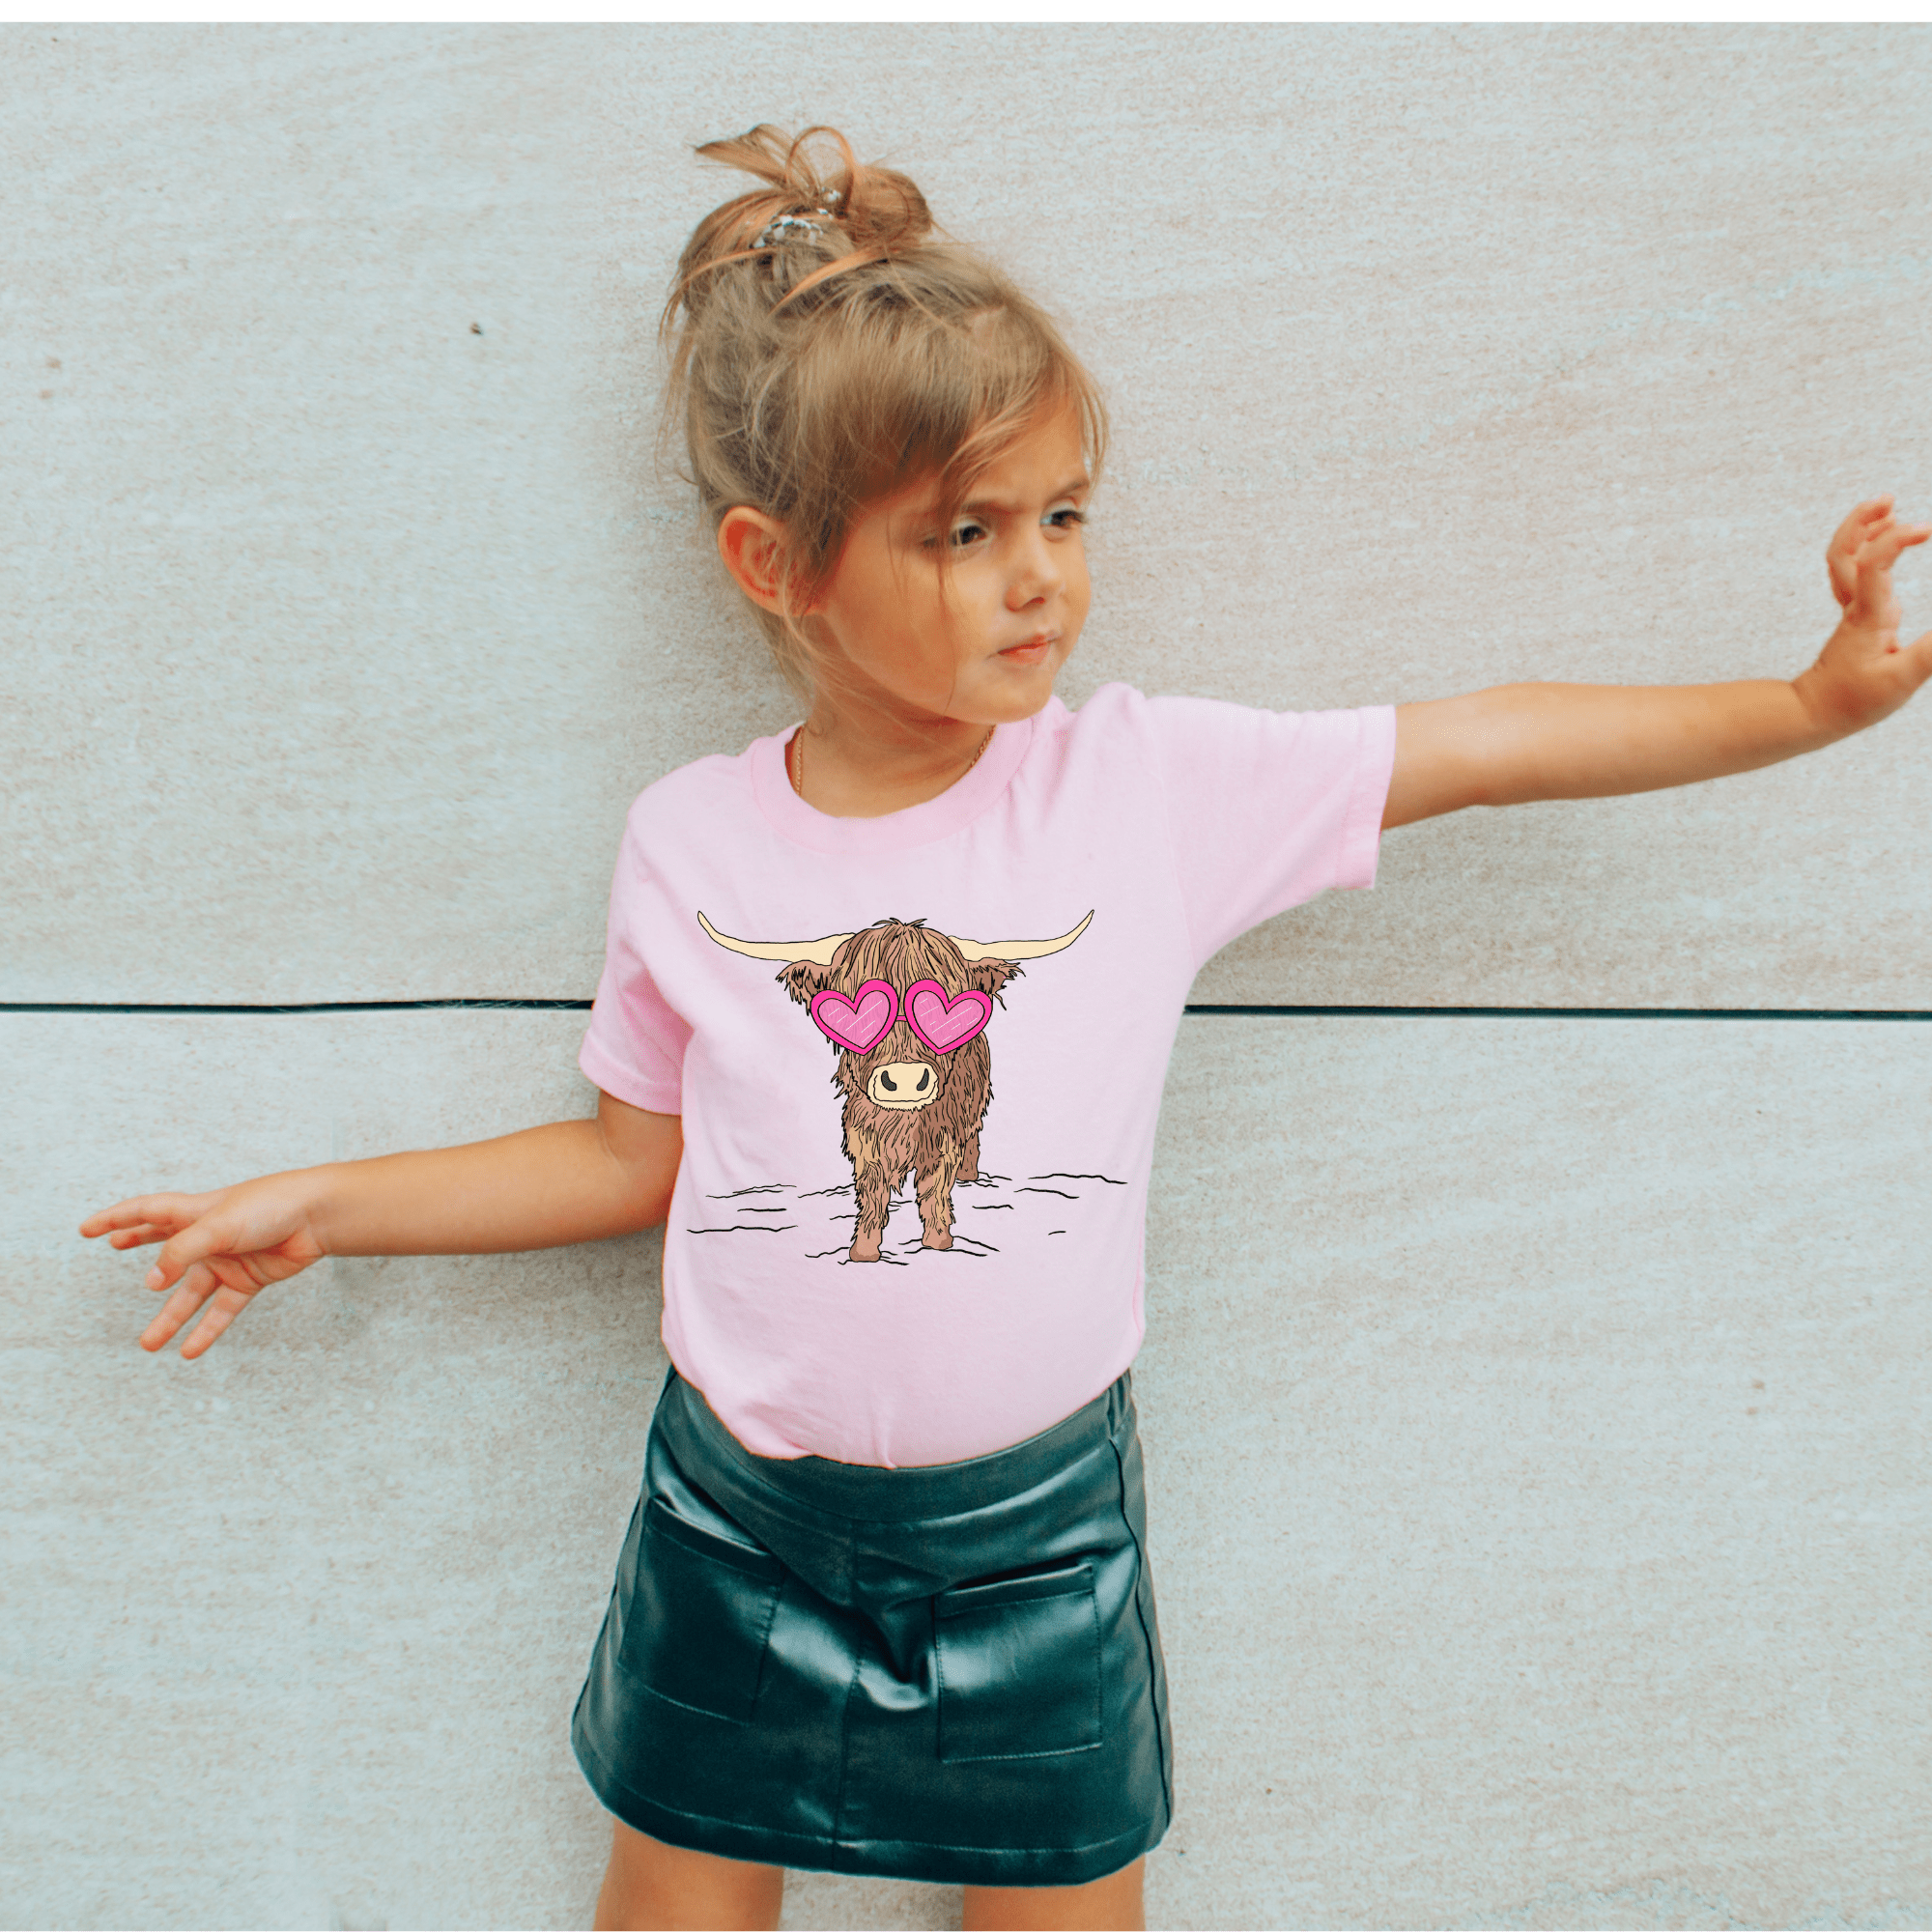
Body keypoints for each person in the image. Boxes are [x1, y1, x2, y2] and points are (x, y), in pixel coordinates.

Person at [79, 125, 1928, 1932]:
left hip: (1040, 1533)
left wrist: (1803, 700)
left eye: (1061, 515)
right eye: (965, 533)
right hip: (739, 1525)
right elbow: (628, 1158)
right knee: (674, 1891)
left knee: (1059, 1904)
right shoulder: (692, 840)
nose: (1042, 574)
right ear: (775, 563)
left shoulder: (1142, 789)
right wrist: (329, 1204)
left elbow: (1486, 740)